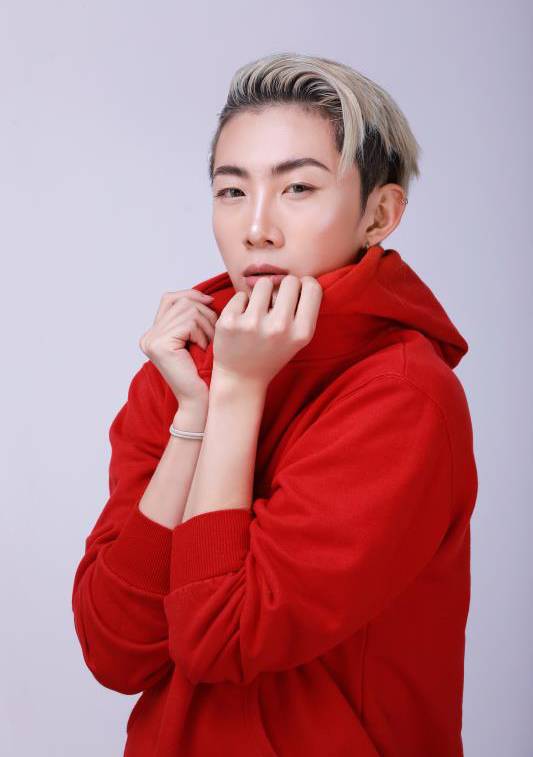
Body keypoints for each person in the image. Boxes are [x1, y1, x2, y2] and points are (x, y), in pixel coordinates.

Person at [71, 51, 478, 756]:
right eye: (232, 191)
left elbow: (218, 638)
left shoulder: (403, 395)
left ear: (379, 214)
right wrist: (193, 416)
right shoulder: (180, 371)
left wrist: (236, 391)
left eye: (297, 188)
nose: (256, 226)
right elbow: (115, 650)